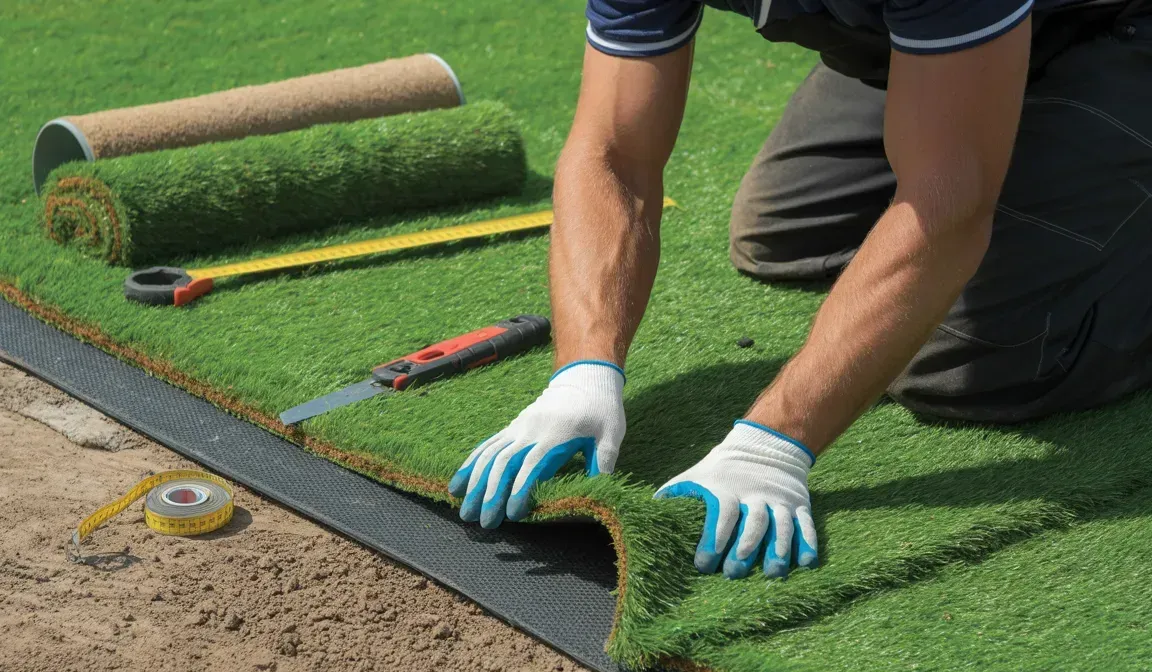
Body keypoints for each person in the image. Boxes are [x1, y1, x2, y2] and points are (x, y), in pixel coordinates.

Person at [450, 0, 1152, 580]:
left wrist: (774, 442)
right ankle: (994, 98)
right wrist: (583, 373)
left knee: (973, 365)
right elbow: (613, 151)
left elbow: (949, 209)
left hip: (1114, 22)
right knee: (782, 234)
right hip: (944, 27)